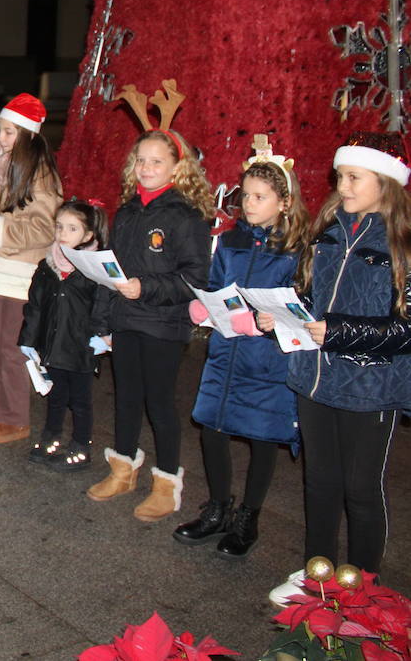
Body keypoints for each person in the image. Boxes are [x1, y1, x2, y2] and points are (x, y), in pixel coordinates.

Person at [269, 132, 411, 605]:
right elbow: (311, 296)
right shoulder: (329, 230)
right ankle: (318, 574)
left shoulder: (403, 242)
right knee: (320, 481)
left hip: (371, 385)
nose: (342, 187)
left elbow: (406, 327)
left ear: (386, 182)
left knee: (361, 489)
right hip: (315, 377)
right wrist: (283, 315)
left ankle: (363, 592)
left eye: (353, 177)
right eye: (340, 177)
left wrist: (339, 331)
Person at [175, 143, 309, 558]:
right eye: (245, 195)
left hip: (268, 361)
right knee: (212, 430)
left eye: (260, 197)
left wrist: (269, 323)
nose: (248, 204)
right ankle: (218, 508)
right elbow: (217, 282)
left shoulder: (297, 250)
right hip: (226, 354)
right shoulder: (231, 239)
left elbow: (303, 307)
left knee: (262, 437)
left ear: (284, 203)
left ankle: (248, 517)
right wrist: (205, 305)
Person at [87, 129, 212, 522]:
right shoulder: (127, 212)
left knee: (159, 403)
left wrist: (147, 288)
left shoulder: (185, 216)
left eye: (157, 161)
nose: (146, 168)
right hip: (125, 319)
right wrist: (103, 321)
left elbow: (195, 278)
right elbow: (111, 270)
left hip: (163, 324)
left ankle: (167, 483)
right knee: (126, 398)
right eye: (141, 160)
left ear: (177, 167)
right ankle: (122, 469)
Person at [0, 94, 62, 445]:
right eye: (1, 130)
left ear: (29, 134)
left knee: (12, 348)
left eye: (9, 132)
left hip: (22, 272)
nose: (0, 138)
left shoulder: (41, 174)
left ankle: (16, 419)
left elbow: (43, 228)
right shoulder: (3, 166)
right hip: (1, 269)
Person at [19, 199, 111, 471]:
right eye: (59, 226)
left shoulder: (94, 270)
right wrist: (29, 340)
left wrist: (103, 336)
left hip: (81, 347)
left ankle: (81, 445)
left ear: (88, 234)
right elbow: (35, 306)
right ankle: (51, 436)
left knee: (80, 401)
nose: (62, 234)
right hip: (53, 345)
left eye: (72, 228)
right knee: (56, 395)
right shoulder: (48, 266)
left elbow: (105, 304)